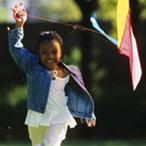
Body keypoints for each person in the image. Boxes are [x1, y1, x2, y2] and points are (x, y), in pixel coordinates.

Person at [8, 3, 96, 146]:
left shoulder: (70, 71)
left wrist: (88, 113)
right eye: (45, 52)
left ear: (61, 53)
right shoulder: (32, 65)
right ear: (38, 52)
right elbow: (16, 49)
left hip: (59, 118)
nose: (50, 56)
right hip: (36, 118)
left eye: (54, 52)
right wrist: (19, 24)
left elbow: (80, 93)